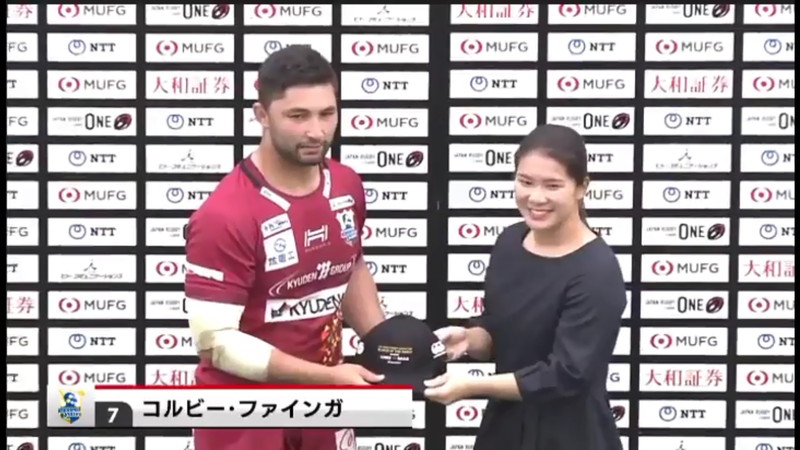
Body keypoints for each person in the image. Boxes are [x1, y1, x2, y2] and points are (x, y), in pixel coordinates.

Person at [183, 45, 387, 450]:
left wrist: (386, 344)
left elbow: (350, 265)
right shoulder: (225, 214)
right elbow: (217, 344)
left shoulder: (346, 184)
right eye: (298, 116)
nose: (316, 131)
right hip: (244, 416)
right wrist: (330, 377)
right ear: (262, 115)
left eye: (327, 114)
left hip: (326, 404)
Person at [424, 124, 628, 450]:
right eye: (526, 182)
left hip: (571, 436)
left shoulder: (597, 272)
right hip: (503, 430)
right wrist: (469, 340)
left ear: (582, 187)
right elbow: (504, 332)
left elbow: (567, 375)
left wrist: (473, 386)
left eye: (553, 185)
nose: (536, 197)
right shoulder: (509, 242)